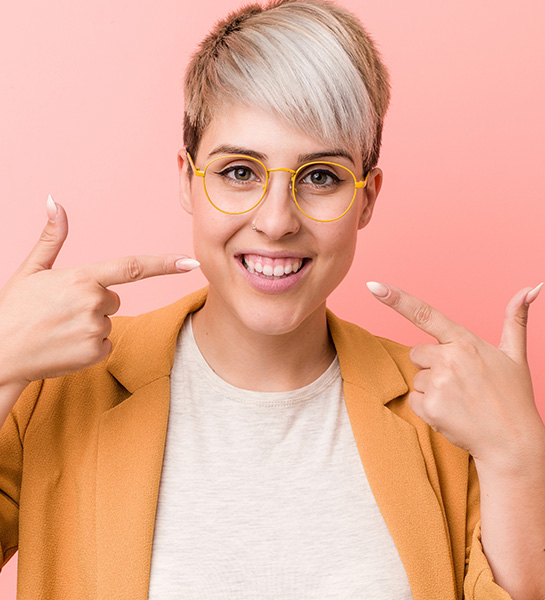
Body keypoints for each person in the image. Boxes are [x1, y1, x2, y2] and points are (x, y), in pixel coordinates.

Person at [0, 0, 544, 598]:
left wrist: (518, 458)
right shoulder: (52, 389)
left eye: (320, 176)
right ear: (187, 179)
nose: (277, 221)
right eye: (239, 172)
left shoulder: (449, 415)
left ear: (367, 198)